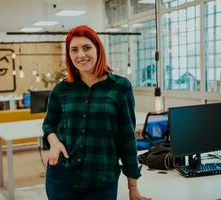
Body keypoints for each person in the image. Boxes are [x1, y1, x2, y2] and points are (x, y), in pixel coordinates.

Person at [42, 25, 151, 200]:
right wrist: (54, 143)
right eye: (74, 50)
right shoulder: (62, 89)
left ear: (98, 49)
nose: (81, 55)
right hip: (61, 178)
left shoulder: (120, 87)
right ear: (69, 55)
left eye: (86, 48)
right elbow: (49, 124)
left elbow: (127, 138)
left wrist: (133, 186)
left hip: (102, 180)